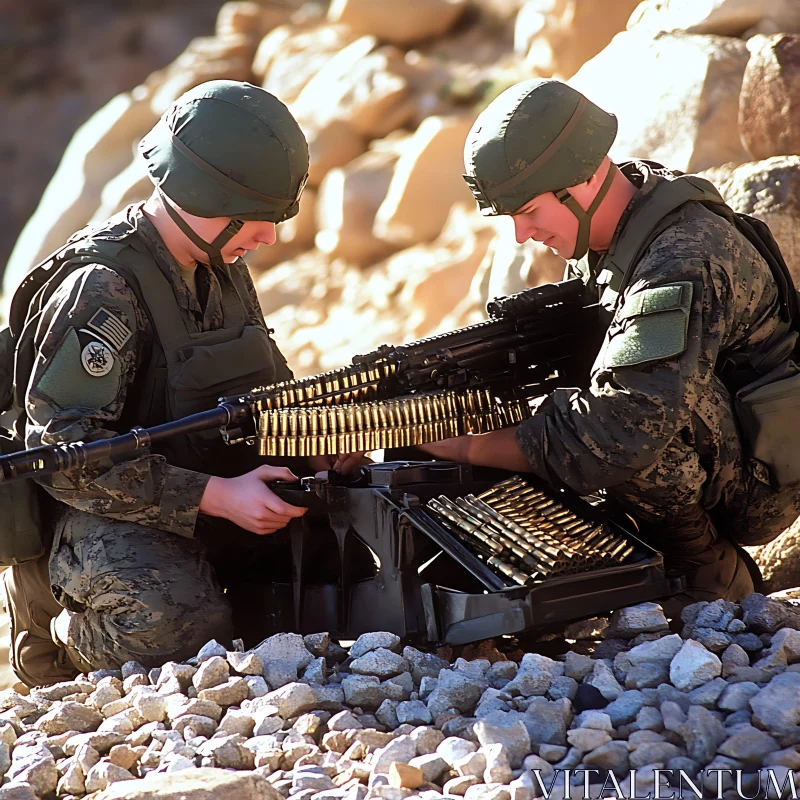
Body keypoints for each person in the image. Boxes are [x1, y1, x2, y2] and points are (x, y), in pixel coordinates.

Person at [1, 80, 358, 685]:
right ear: (200, 194)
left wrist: (318, 446)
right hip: (93, 519)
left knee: (356, 556)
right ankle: (59, 641)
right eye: (255, 219)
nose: (269, 237)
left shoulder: (219, 261)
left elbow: (269, 391)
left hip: (213, 499)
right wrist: (216, 497)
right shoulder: (102, 286)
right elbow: (62, 459)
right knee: (176, 625)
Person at [418, 78, 800, 608]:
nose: (522, 234)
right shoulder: (622, 221)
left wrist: (469, 445)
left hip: (764, 479)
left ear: (586, 178)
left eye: (529, 212)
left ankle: (706, 568)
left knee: (624, 421)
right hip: (727, 437)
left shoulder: (682, 257)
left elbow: (623, 425)